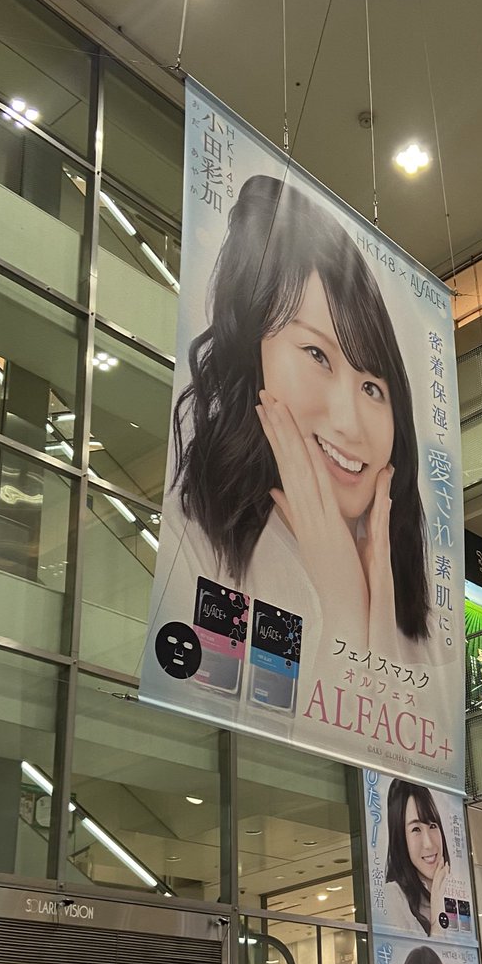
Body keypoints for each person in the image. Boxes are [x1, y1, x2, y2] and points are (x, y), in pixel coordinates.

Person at [173, 174, 431, 677]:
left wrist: (373, 613)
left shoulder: (418, 610)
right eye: (317, 354)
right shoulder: (198, 551)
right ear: (254, 356)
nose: (349, 423)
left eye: (372, 387)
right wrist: (344, 614)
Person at [384, 778, 452, 936]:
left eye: (432, 825)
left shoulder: (453, 894)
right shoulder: (393, 897)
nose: (428, 843)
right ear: (400, 837)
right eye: (416, 829)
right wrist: (437, 913)